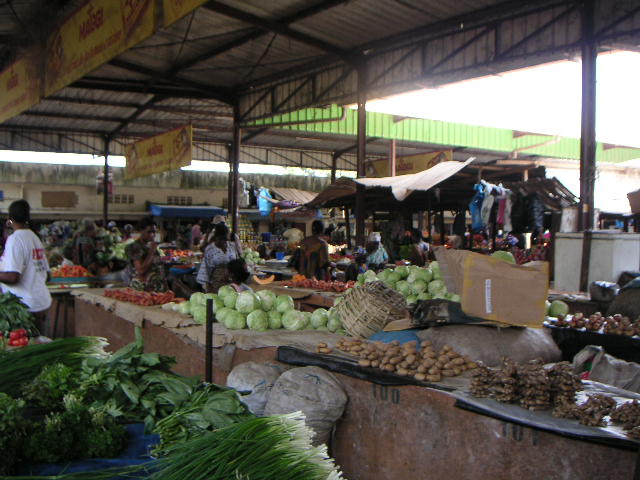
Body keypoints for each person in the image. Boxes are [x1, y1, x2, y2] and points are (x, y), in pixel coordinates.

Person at [0, 200, 52, 332]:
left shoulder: (15, 239)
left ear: (10, 219)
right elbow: (47, 274)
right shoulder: (34, 237)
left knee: (26, 347)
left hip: (26, 306)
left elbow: (13, 277)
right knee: (38, 344)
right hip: (41, 301)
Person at [124, 216, 168, 292]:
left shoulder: (150, 246)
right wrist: (151, 252)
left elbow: (158, 268)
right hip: (143, 290)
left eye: (154, 232)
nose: (152, 235)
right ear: (141, 231)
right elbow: (140, 270)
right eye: (149, 232)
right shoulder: (135, 247)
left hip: (156, 288)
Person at [196, 223, 239, 293]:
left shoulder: (232, 246)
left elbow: (237, 263)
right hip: (216, 285)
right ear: (217, 236)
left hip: (232, 283)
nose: (224, 241)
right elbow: (205, 270)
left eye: (225, 239)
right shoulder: (210, 249)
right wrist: (208, 288)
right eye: (222, 238)